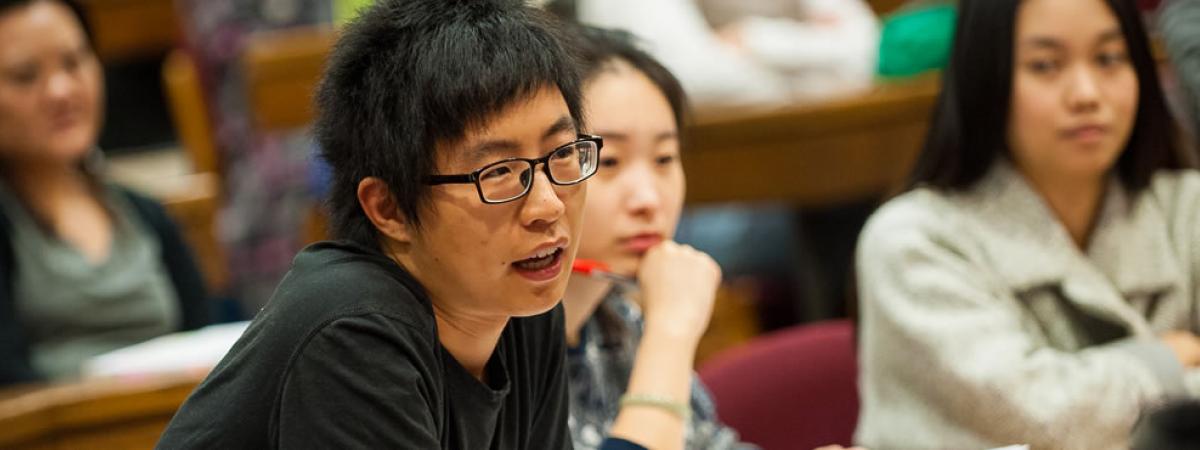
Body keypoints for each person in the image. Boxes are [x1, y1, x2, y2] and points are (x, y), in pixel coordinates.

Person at [157, 0, 598, 447]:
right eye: (499, 173)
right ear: (388, 209)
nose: (547, 205)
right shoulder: (352, 334)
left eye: (562, 153)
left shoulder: (524, 310)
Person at [854, 0, 1200, 448]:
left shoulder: (1186, 205)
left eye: (1109, 58)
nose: (1086, 93)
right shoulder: (914, 240)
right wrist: (1164, 364)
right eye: (1045, 65)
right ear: (986, 78)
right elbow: (1035, 418)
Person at [0, 0, 210, 386]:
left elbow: (211, 344)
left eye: (74, 62)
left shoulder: (146, 213)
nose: (61, 90)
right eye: (25, 75)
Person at [561, 26, 751, 450]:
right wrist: (673, 330)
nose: (649, 199)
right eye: (608, 161)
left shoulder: (621, 322)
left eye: (665, 158)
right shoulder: (488, 353)